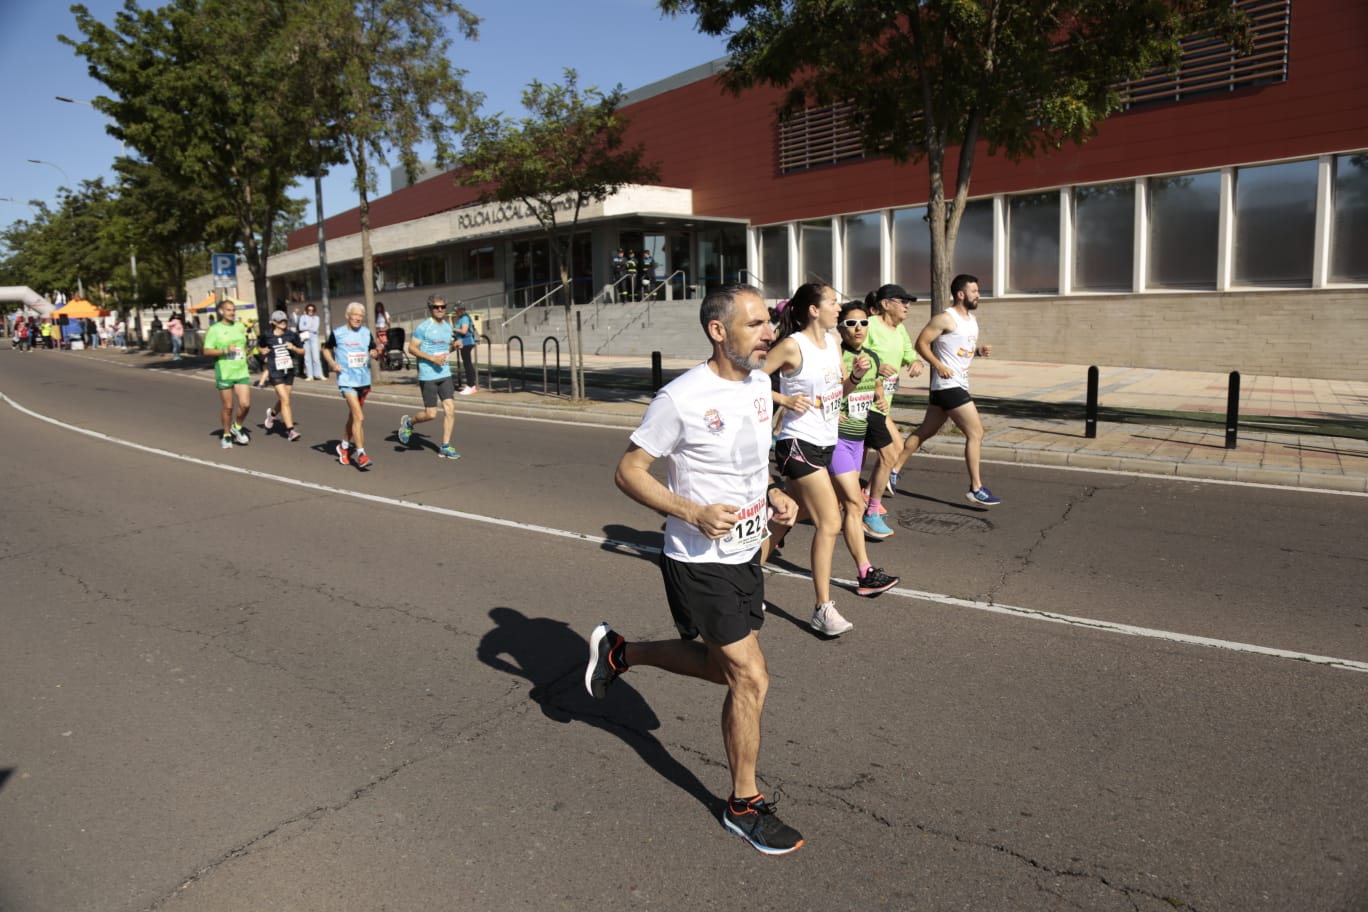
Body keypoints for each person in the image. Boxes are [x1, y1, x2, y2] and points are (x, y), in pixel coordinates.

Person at [587, 283, 805, 856]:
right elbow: (628, 471)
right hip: (699, 559)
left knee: (722, 671)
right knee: (751, 677)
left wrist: (774, 492)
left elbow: (748, 461)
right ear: (717, 330)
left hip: (745, 551)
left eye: (769, 323)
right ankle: (743, 803)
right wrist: (691, 511)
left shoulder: (761, 384)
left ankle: (619, 653)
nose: (769, 334)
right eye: (757, 324)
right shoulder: (680, 398)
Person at [765, 282, 891, 637]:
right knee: (830, 520)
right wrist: (785, 400)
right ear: (813, 310)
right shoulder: (792, 346)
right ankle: (823, 607)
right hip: (796, 443)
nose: (840, 308)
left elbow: (839, 392)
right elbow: (751, 382)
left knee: (791, 514)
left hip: (825, 442)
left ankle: (746, 569)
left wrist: (854, 377)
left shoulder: (835, 342)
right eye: (833, 302)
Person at [892, 273, 1000, 506]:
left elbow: (960, 349)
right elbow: (921, 343)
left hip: (955, 384)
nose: (978, 295)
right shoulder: (945, 318)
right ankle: (976, 487)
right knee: (976, 433)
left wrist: (978, 352)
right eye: (974, 291)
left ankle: (892, 470)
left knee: (925, 431)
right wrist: (938, 365)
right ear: (961, 294)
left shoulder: (970, 320)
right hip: (948, 386)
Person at [860, 284, 924, 529]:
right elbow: (854, 353)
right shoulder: (870, 324)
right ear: (886, 304)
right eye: (902, 301)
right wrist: (876, 369)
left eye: (908, 302)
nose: (907, 306)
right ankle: (867, 507)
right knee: (889, 452)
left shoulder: (901, 329)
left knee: (887, 453)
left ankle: (864, 495)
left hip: (882, 405)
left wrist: (915, 362)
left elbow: (909, 353)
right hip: (863, 402)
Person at [399, 294, 461, 459]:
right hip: (428, 375)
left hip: (445, 373)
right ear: (430, 308)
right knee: (431, 414)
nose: (440, 310)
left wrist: (454, 346)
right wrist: (432, 358)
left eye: (442, 307)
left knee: (450, 410)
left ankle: (445, 446)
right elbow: (412, 348)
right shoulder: (424, 327)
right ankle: (409, 423)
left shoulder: (448, 327)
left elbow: (445, 349)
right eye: (436, 307)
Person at [322, 301, 380, 470]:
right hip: (347, 380)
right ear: (347, 316)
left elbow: (373, 350)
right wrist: (333, 363)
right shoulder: (338, 333)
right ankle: (362, 454)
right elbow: (325, 349)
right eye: (355, 315)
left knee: (354, 417)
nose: (358, 318)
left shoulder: (366, 333)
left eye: (361, 316)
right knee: (359, 417)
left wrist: (374, 353)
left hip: (363, 380)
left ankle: (344, 446)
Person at [201, 298, 252, 449]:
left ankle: (237, 426)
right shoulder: (214, 329)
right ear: (221, 311)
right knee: (228, 407)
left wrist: (247, 353)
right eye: (229, 310)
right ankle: (226, 434)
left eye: (233, 310)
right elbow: (206, 351)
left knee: (245, 404)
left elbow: (244, 345)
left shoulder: (240, 327)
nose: (232, 313)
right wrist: (224, 351)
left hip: (241, 370)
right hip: (224, 371)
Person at [257, 309, 305, 442]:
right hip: (275, 370)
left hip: (289, 370)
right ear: (273, 322)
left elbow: (302, 350)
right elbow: (260, 347)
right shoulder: (267, 335)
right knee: (285, 400)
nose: (283, 323)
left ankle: (272, 414)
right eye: (279, 321)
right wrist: (264, 352)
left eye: (284, 320)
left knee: (285, 399)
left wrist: (293, 348)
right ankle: (291, 430)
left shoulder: (291, 335)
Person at [452, 303, 478, 394]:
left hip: (467, 343)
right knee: (467, 364)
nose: (456, 312)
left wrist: (453, 329)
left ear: (461, 310)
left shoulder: (465, 318)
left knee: (468, 365)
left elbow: (464, 331)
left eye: (457, 311)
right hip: (462, 343)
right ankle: (471, 385)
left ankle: (471, 386)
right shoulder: (461, 318)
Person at [297, 303, 322, 379]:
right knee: (307, 358)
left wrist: (307, 327)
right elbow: (300, 327)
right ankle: (309, 375)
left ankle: (318, 374)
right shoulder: (303, 317)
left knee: (316, 357)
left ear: (314, 310)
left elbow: (315, 328)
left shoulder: (316, 318)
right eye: (309, 310)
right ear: (306, 310)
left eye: (312, 310)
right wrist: (309, 326)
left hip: (314, 337)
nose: (310, 311)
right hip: (305, 338)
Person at [374, 301, 389, 366]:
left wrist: (385, 328)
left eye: (380, 307)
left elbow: (388, 323)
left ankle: (385, 359)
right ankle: (381, 361)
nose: (379, 309)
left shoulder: (385, 314)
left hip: (384, 331)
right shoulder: (375, 315)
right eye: (377, 307)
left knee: (385, 345)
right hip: (377, 331)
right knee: (379, 347)